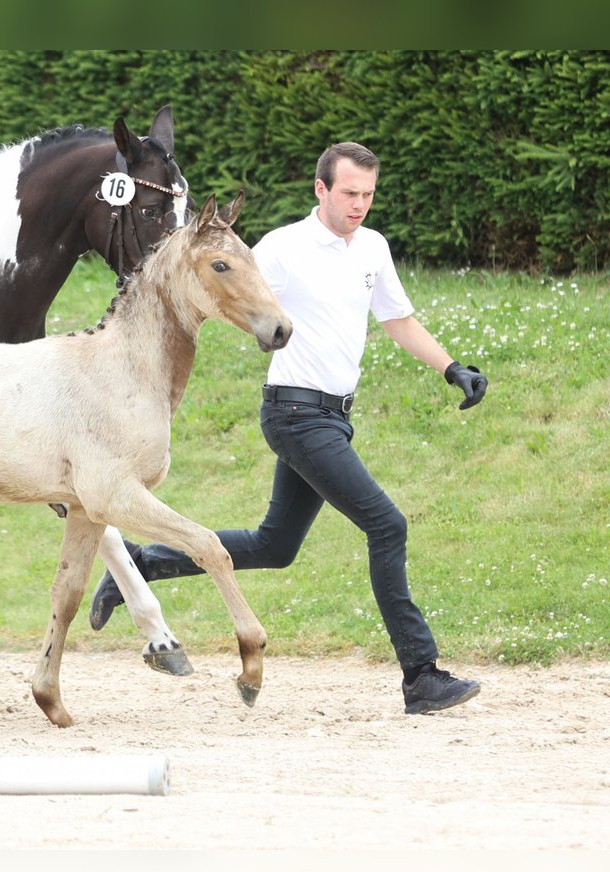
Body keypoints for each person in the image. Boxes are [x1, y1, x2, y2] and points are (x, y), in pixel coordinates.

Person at [90, 141, 488, 715]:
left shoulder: (372, 248)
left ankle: (141, 562)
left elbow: (397, 318)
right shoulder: (280, 248)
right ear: (321, 189)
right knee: (387, 526)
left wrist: (451, 367)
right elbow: (216, 287)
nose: (360, 205)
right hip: (296, 414)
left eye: (368, 195)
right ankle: (420, 677)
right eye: (350, 192)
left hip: (334, 416)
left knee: (274, 546)